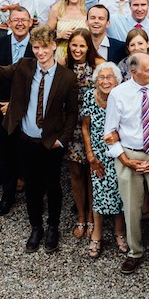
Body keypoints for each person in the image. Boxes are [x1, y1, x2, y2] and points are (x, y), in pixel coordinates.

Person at [0, 25, 80, 250]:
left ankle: (53, 226)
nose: (40, 52)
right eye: (36, 47)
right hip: (26, 139)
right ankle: (36, 227)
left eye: (44, 47)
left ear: (54, 46)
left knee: (53, 185)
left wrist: (63, 139)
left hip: (51, 142)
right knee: (32, 186)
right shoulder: (24, 67)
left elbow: (73, 112)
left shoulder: (67, 77)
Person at [104, 53, 149, 274]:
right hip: (129, 155)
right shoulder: (118, 94)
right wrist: (125, 159)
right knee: (131, 208)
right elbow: (110, 131)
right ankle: (134, 251)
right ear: (133, 72)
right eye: (148, 70)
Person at [82, 63, 128, 258]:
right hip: (98, 154)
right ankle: (97, 235)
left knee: (119, 193)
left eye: (110, 77)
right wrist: (90, 156)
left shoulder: (123, 97)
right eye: (101, 77)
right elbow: (85, 128)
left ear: (117, 81)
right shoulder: (89, 97)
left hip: (119, 152)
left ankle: (119, 233)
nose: (105, 81)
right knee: (99, 192)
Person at [60, 28, 100, 242]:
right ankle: (81, 217)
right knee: (76, 172)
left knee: (92, 173)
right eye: (73, 45)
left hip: (93, 127)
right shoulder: (64, 67)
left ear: (88, 47)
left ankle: (94, 217)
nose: (77, 49)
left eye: (81, 45)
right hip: (71, 127)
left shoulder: (98, 67)